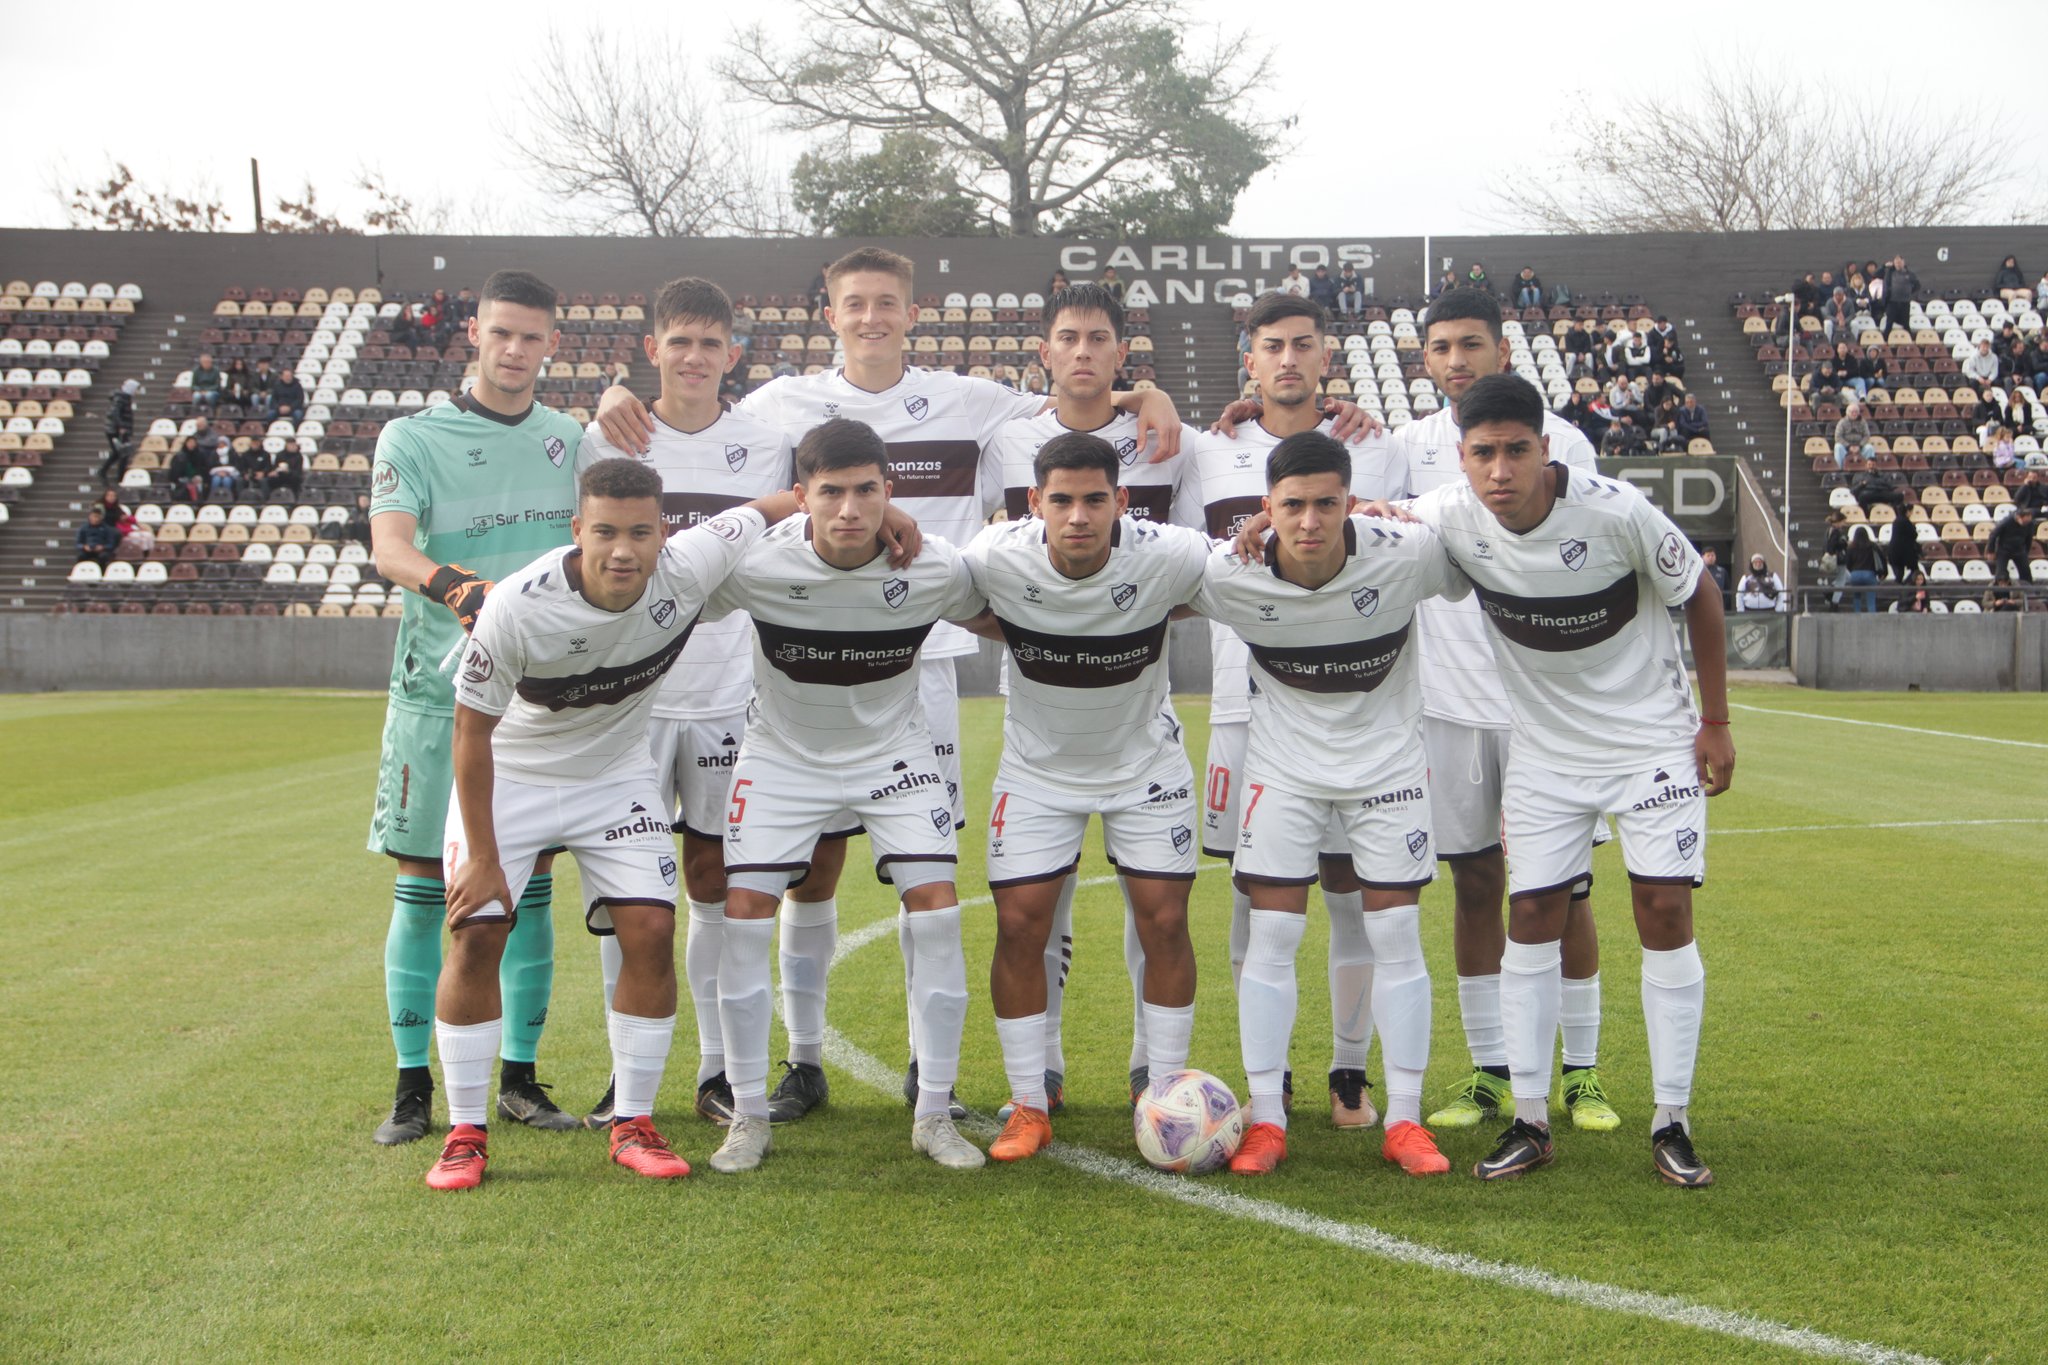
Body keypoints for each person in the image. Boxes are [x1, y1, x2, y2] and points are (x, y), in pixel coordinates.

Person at [594, 247, 1183, 1111]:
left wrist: (1145, 394)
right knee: (814, 872)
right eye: (855, 303)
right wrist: (623, 396)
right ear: (828, 315)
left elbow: (1073, 400)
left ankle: (924, 1072)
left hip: (924, 664)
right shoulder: (778, 405)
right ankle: (802, 1060)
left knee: (924, 881)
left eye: (887, 303)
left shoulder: (974, 401)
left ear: (915, 313)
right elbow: (694, 413)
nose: (871, 316)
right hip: (811, 672)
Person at [1376, 372, 1732, 1188]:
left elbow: (1700, 593)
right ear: (1460, 456)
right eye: (1482, 454)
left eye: (1516, 451)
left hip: (1647, 743)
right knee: (1530, 911)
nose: (1499, 470)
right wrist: (1267, 525)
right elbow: (1371, 526)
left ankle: (1671, 1120)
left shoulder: (1615, 511)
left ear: (1546, 447)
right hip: (1545, 754)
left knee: (1664, 905)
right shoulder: (1449, 516)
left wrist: (1714, 720)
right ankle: (1530, 1119)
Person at [423, 458, 796, 1191]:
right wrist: (481, 859)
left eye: (638, 532)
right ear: (577, 530)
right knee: (477, 930)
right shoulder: (519, 605)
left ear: (665, 532)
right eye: (604, 532)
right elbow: (469, 735)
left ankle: (633, 1121)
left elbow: (781, 500)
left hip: (616, 774)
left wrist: (895, 519)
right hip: (514, 774)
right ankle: (466, 1131)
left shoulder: (689, 566)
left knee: (651, 932)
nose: (622, 550)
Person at [703, 418, 990, 1172]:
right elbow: (677, 572)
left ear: (891, 492)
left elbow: (1007, 604)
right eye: (831, 492)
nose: (851, 509)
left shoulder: (935, 568)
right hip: (781, 757)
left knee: (937, 908)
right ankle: (749, 1116)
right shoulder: (756, 566)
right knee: (743, 919)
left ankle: (934, 1112)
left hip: (894, 753)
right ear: (802, 496)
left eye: (868, 491)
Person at [1193, 429, 1462, 1178]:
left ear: (1350, 501)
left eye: (1326, 504)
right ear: (1265, 508)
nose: (1309, 521)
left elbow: (1477, 548)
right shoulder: (1229, 571)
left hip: (1389, 771)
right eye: (1291, 505)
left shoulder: (1406, 552)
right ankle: (1268, 1121)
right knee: (1272, 936)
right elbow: (1146, 575)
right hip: (1284, 771)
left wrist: (1407, 511)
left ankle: (1404, 1119)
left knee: (1398, 933)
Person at [1381, 290, 1616, 1137]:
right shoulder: (1403, 445)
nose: (1454, 360)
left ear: (1502, 347)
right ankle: (1490, 1070)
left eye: (1470, 344)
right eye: (1439, 346)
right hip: (1445, 704)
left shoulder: (1563, 441)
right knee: (1476, 884)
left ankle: (1582, 1072)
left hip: (1545, 707)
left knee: (1566, 892)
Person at [366, 270, 591, 1147]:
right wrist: (451, 583)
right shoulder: (412, 436)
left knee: (527, 890)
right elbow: (390, 545)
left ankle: (521, 1080)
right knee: (427, 886)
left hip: (536, 701)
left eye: (531, 337)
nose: (514, 350)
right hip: (436, 691)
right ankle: (412, 1083)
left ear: (551, 345)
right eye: (501, 333)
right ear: (473, 333)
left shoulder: (567, 437)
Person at [571, 277, 799, 1131]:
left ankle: (713, 1072)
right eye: (681, 342)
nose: (696, 358)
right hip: (626, 700)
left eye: (712, 343)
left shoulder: (767, 444)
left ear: (732, 355)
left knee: (712, 881)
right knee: (622, 889)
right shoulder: (609, 433)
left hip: (724, 695)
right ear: (652, 348)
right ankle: (624, 1075)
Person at [1183, 291, 1404, 1130]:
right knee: (1252, 892)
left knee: (1353, 890)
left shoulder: (1372, 448)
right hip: (1244, 704)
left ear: (1326, 356)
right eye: (1271, 345)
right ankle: (1261, 1075)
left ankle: (1350, 1073)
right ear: (1250, 359)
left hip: (1351, 709)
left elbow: (1411, 538)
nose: (1286, 359)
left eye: (1302, 345)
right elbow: (1180, 555)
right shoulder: (1212, 448)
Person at [965, 431, 1211, 1161]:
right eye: (1062, 500)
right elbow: (934, 590)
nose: (1078, 515)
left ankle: (1165, 1096)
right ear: (1034, 502)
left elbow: (1240, 570)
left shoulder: (1168, 552)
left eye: (1094, 499)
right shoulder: (992, 555)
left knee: (1164, 919)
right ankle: (1030, 1103)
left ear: (1121, 501)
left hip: (1146, 766)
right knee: (1019, 923)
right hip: (1038, 771)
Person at [100, 378, 139, 484]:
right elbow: (115, 413)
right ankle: (109, 473)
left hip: (119, 429)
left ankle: (116, 475)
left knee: (122, 452)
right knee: (121, 452)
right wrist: (121, 426)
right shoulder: (121, 398)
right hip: (115, 430)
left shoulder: (125, 398)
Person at [1988, 506, 2036, 588]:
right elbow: (1993, 535)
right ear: (2018, 517)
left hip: (2019, 550)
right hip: (2004, 550)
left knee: (2026, 573)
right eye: (2024, 522)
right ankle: (1999, 593)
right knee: (2001, 573)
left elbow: (2029, 538)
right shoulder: (2006, 521)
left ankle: (2029, 592)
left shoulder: (2030, 523)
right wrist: (1991, 551)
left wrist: (2026, 552)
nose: (2026, 524)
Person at [1845, 524, 1882, 612]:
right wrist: (1881, 573)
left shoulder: (1851, 547)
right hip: (1869, 574)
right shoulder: (1872, 546)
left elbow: (1847, 563)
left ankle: (1857, 615)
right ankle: (1872, 617)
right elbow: (1881, 559)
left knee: (1856, 597)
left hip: (1855, 574)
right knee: (1871, 599)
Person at [1881, 256, 1918, 333]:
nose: (1898, 264)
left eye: (1899, 262)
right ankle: (1886, 340)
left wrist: (1908, 292)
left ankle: (1908, 340)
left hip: (1905, 302)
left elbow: (1917, 285)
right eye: (1896, 263)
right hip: (1892, 302)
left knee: (1905, 323)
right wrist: (1884, 266)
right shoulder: (1890, 273)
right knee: (1889, 323)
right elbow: (1877, 275)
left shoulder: (1909, 274)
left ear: (1903, 262)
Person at [1835, 402, 1875, 468]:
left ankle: (1870, 469)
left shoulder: (1863, 422)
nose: (1854, 414)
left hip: (1860, 446)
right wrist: (1848, 446)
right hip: (1846, 447)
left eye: (1856, 412)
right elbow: (1838, 437)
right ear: (1847, 413)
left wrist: (1860, 446)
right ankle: (1840, 469)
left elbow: (1866, 435)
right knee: (1838, 447)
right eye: (1852, 412)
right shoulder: (1842, 422)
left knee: (1869, 448)